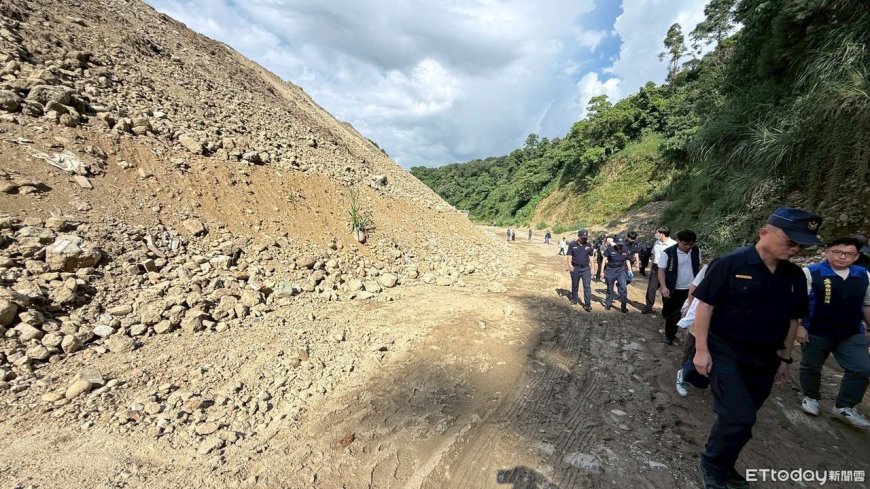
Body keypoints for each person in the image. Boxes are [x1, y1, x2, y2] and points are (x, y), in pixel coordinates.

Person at [692, 207, 821, 489]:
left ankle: (724, 465)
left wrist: (785, 359)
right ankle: (711, 463)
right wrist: (701, 350)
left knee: (744, 418)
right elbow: (705, 306)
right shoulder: (730, 263)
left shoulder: (795, 276)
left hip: (766, 358)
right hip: (726, 350)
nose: (796, 249)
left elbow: (792, 319)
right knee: (739, 415)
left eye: (802, 244)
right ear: (764, 232)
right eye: (791, 241)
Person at [796, 236, 870, 428]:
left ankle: (845, 406)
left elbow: (867, 305)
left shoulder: (864, 275)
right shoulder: (811, 272)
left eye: (849, 254)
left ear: (856, 256)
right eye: (838, 252)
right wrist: (799, 326)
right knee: (811, 366)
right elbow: (798, 303)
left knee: (862, 368)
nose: (843, 257)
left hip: (851, 331)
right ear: (827, 252)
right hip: (816, 329)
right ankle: (811, 397)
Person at [675, 260, 714, 397]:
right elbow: (693, 289)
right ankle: (683, 374)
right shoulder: (716, 267)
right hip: (702, 314)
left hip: (723, 322)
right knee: (693, 347)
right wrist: (691, 311)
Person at [657, 230, 701, 345]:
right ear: (678, 241)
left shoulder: (695, 251)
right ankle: (669, 335)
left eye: (690, 244)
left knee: (690, 312)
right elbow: (661, 270)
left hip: (691, 288)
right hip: (675, 288)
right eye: (685, 244)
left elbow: (698, 266)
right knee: (672, 314)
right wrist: (663, 286)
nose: (688, 247)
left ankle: (690, 338)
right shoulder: (668, 253)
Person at [643, 226, 676, 314]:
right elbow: (653, 255)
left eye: (657, 233)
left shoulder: (673, 244)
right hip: (656, 267)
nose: (655, 234)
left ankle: (666, 310)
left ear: (662, 234)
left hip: (667, 269)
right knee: (651, 288)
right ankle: (648, 307)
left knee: (665, 290)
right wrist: (651, 266)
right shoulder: (656, 242)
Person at [567, 229, 595, 311]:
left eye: (585, 238)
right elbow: (569, 255)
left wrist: (593, 268)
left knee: (587, 287)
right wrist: (569, 264)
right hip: (575, 268)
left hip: (586, 269)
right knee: (575, 286)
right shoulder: (572, 245)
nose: (584, 239)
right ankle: (575, 300)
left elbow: (591, 257)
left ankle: (587, 304)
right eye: (582, 237)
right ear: (578, 236)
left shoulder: (589, 245)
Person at [602, 236, 631, 313]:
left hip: (621, 270)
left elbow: (627, 260)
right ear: (615, 243)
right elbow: (604, 259)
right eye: (618, 244)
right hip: (610, 270)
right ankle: (608, 304)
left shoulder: (625, 249)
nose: (620, 245)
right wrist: (602, 271)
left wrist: (630, 270)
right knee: (610, 288)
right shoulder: (610, 249)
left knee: (623, 288)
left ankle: (623, 307)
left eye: (621, 244)